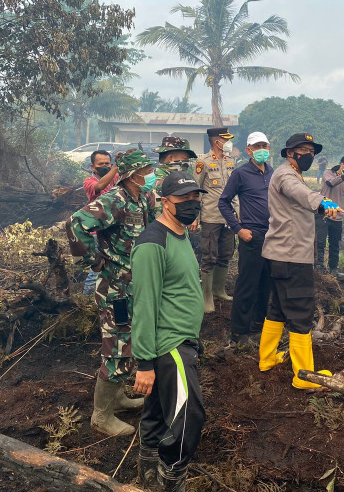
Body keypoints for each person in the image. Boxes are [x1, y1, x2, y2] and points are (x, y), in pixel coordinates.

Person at [66, 149, 156, 436]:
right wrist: (95, 260)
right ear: (131, 175)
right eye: (145, 172)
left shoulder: (140, 198)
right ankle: (101, 417)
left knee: (127, 342)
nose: (150, 176)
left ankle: (116, 397)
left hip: (132, 286)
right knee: (118, 346)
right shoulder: (114, 199)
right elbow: (76, 223)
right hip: (116, 289)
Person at [132, 171, 206, 491]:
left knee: (159, 413)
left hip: (182, 339)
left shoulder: (180, 233)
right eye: (183, 199)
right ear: (165, 202)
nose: (192, 204)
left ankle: (147, 474)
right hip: (170, 344)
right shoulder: (152, 243)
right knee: (188, 416)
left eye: (195, 197)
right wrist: (145, 363)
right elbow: (144, 305)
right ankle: (171, 478)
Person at [258, 133, 343, 390]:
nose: (308, 154)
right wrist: (322, 201)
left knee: (278, 309)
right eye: (303, 150)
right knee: (301, 311)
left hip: (279, 254)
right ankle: (304, 375)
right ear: (289, 153)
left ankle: (267, 358)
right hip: (292, 256)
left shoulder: (292, 173)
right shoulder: (286, 175)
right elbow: (301, 194)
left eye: (311, 150)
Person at [218, 132, 274, 344]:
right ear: (249, 149)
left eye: (265, 146)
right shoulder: (241, 174)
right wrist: (238, 229)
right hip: (252, 235)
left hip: (272, 236)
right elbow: (224, 202)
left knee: (266, 282)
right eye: (257, 146)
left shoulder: (272, 172)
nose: (262, 150)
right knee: (247, 284)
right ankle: (239, 331)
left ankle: (258, 325)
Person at [194, 127, 239, 312]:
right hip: (210, 215)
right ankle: (206, 297)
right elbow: (196, 191)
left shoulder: (230, 162)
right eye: (225, 139)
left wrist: (238, 211)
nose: (228, 143)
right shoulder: (202, 162)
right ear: (216, 141)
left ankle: (219, 289)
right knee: (209, 256)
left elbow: (234, 190)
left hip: (228, 216)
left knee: (226, 253)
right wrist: (195, 218)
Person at [82, 150, 119, 294]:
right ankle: (87, 300)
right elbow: (100, 186)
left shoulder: (115, 176)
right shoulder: (89, 182)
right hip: (97, 232)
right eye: (100, 164)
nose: (104, 166)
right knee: (96, 269)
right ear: (93, 167)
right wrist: (115, 167)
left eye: (107, 163)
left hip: (112, 231)